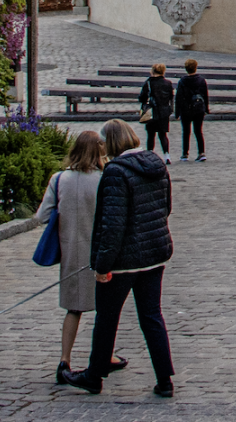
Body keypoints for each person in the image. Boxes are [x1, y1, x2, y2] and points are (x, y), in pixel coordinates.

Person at [71, 120, 175, 398]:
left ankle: (94, 376)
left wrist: (102, 265)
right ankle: (165, 379)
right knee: (152, 317)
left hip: (124, 260)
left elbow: (112, 225)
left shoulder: (116, 172)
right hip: (154, 254)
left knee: (106, 318)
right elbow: (166, 207)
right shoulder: (155, 163)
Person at [37, 130, 109, 380]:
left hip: (71, 251)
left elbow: (42, 216)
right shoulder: (104, 179)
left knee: (73, 309)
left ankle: (64, 360)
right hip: (99, 252)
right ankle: (104, 355)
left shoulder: (59, 179)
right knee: (105, 309)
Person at [176, 60, 210, 162]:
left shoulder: (182, 81)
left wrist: (177, 112)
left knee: (186, 132)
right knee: (198, 131)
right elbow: (205, 95)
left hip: (186, 109)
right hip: (199, 108)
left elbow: (179, 97)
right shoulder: (201, 81)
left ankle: (185, 154)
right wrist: (206, 108)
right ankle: (201, 152)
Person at [138, 63, 175, 157]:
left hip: (152, 111)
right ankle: (167, 155)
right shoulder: (168, 83)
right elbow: (171, 97)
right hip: (164, 111)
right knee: (163, 135)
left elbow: (142, 97)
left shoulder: (149, 82)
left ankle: (150, 155)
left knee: (151, 135)